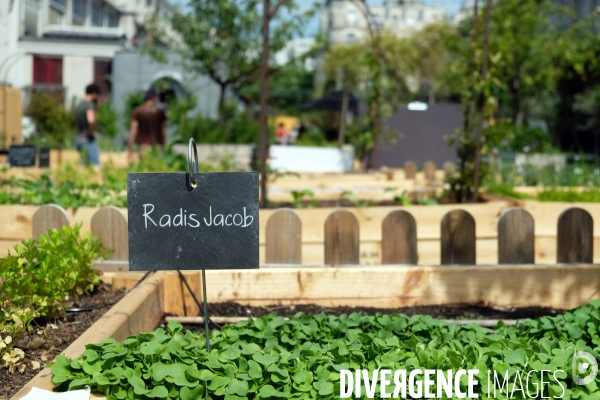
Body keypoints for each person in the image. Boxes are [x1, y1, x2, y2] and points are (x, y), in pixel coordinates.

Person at [128, 89, 167, 161]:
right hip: (157, 147)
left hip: (143, 147)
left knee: (145, 169)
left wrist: (130, 148)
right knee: (157, 170)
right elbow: (163, 130)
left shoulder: (138, 111)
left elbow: (133, 130)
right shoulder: (160, 112)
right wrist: (163, 146)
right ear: (155, 98)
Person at [75, 83, 101, 166]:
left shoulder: (80, 105)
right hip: (87, 139)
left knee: (83, 166)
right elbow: (90, 120)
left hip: (79, 137)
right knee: (95, 166)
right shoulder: (89, 105)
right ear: (94, 93)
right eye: (97, 95)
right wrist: (91, 133)